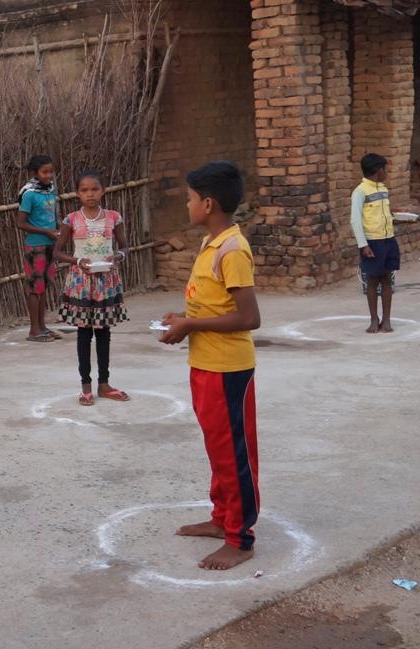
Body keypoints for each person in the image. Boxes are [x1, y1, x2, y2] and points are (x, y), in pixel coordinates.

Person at [159, 161, 261, 570]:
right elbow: (214, 305)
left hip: (227, 369)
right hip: (205, 363)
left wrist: (191, 325)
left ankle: (240, 538)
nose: (186, 205)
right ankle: (222, 519)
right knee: (218, 449)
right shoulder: (211, 243)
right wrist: (183, 319)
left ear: (208, 203)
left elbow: (249, 317)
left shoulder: (233, 250)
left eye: (189, 199)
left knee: (234, 454)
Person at [54, 170, 130, 405]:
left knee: (104, 333)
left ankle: (104, 384)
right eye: (84, 190)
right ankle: (85, 386)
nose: (90, 194)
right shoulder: (71, 220)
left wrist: (116, 256)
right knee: (84, 333)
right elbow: (57, 252)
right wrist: (78, 261)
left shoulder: (113, 217)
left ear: (103, 190)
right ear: (77, 193)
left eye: (95, 189)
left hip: (106, 281)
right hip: (81, 282)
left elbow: (124, 247)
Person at [350, 153, 400, 333]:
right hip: (372, 241)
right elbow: (355, 220)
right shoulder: (360, 192)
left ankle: (386, 319)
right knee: (372, 280)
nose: (386, 173)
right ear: (379, 171)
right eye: (385, 169)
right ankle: (374, 319)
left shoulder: (383, 190)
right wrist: (363, 245)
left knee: (387, 279)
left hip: (388, 239)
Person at [16, 154, 61, 343]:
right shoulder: (29, 194)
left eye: (51, 171)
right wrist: (45, 231)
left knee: (43, 287)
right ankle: (34, 330)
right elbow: (21, 223)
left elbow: (53, 217)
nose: (49, 175)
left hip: (50, 244)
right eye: (44, 172)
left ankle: (42, 327)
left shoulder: (50, 191)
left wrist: (57, 232)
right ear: (35, 173)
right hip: (35, 246)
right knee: (35, 288)